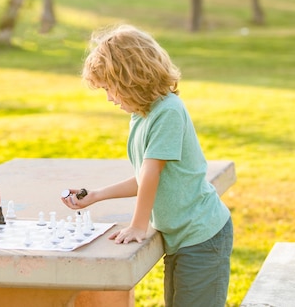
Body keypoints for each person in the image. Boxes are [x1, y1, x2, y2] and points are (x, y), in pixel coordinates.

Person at [61, 25, 232, 307]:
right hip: (182, 237)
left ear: (130, 79)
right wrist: (96, 195)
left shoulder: (168, 112)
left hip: (202, 236)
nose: (108, 98)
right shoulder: (143, 115)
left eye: (108, 88)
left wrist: (138, 226)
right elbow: (145, 176)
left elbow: (152, 174)